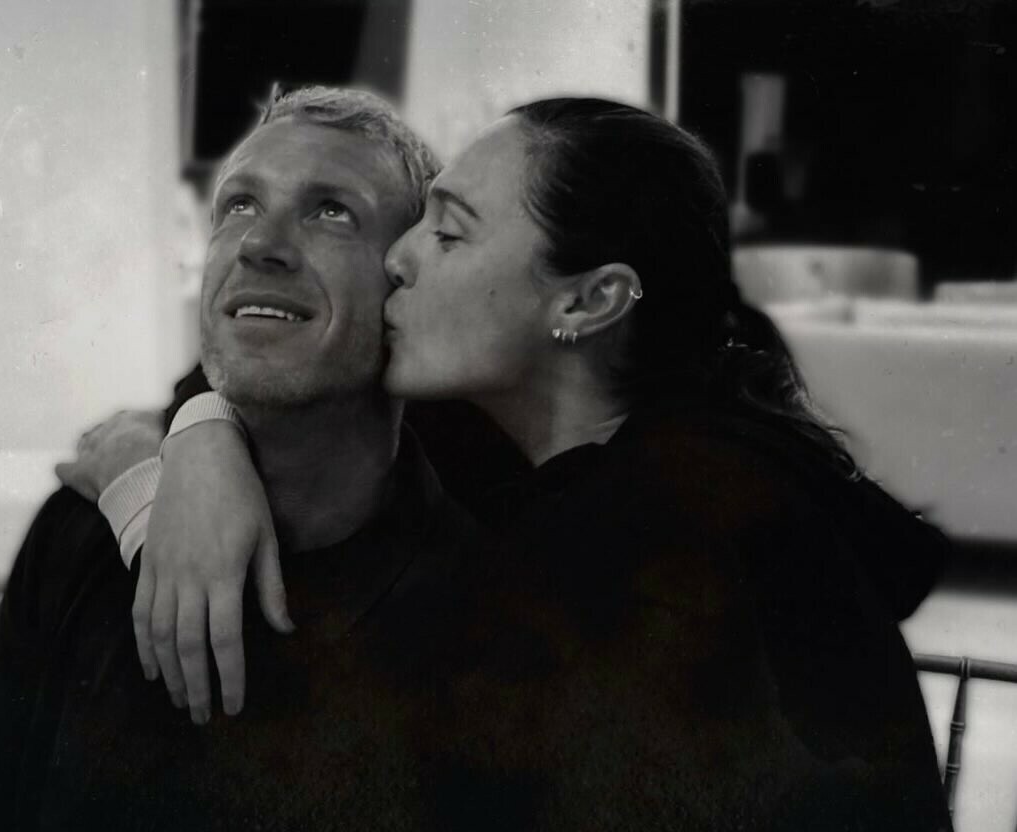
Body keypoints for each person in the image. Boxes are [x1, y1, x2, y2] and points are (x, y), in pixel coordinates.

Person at [117, 98, 953, 830]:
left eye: (448, 234)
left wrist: (137, 498)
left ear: (587, 301)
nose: (398, 259)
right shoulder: (590, 438)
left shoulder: (652, 539)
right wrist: (200, 433)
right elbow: (260, 359)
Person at [0, 86, 487, 831]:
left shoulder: (480, 608)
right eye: (239, 204)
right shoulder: (85, 531)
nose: (258, 244)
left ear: (406, 287)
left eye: (331, 211)